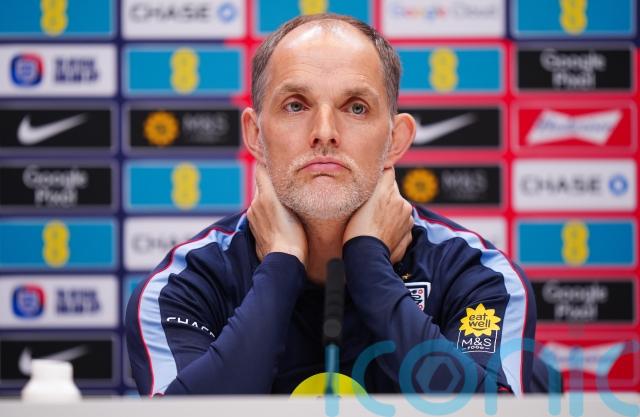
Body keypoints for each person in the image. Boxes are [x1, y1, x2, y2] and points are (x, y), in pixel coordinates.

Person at [125, 13, 536, 397]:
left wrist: (368, 264)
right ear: (255, 135)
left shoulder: (478, 274)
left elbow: (490, 410)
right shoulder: (183, 284)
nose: (324, 132)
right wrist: (281, 265)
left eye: (356, 107)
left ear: (395, 139)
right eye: (296, 105)